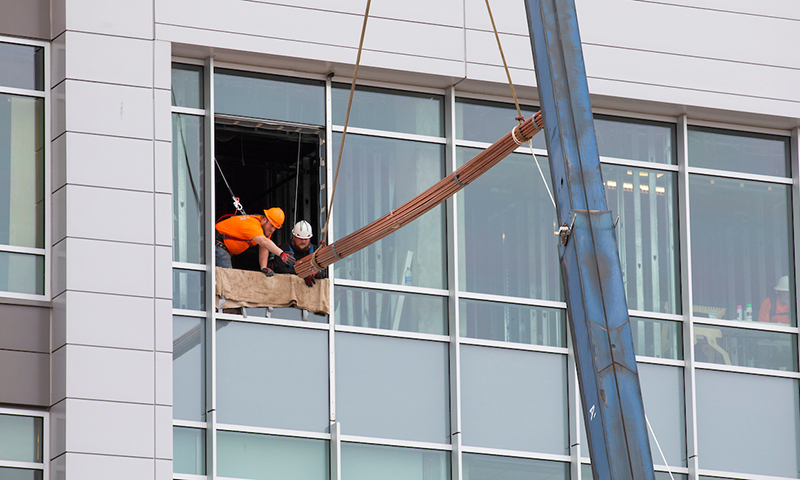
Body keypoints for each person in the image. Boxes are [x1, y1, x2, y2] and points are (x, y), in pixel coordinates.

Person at [215, 207, 295, 276]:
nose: (272, 230)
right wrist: (282, 254)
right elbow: (264, 242)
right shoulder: (253, 225)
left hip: (223, 248)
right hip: (217, 243)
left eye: (275, 228)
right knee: (227, 279)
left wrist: (263, 267)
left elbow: (264, 246)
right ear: (264, 219)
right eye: (271, 226)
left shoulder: (264, 229)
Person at [273, 220, 328, 287]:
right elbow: (279, 270)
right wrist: (304, 273)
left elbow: (324, 272)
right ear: (294, 237)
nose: (303, 241)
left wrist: (316, 273)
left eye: (306, 239)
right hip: (288, 289)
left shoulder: (315, 251)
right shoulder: (283, 249)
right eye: (300, 238)